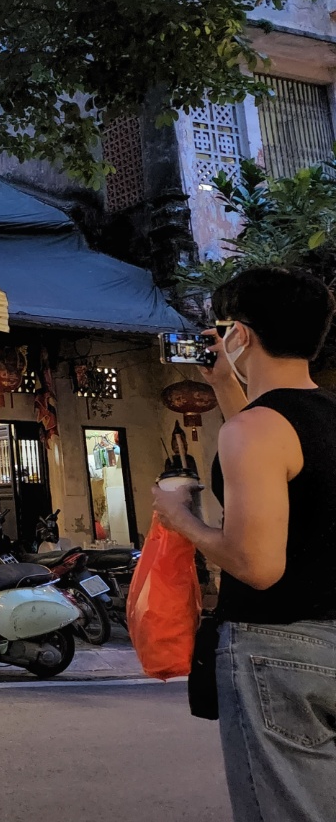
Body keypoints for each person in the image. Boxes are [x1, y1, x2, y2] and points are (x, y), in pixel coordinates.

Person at [151, 267, 336, 822]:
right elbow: (281, 457)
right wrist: (225, 386)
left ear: (242, 335)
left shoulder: (254, 431)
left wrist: (180, 518)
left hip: (279, 649)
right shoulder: (317, 416)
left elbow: (256, 566)